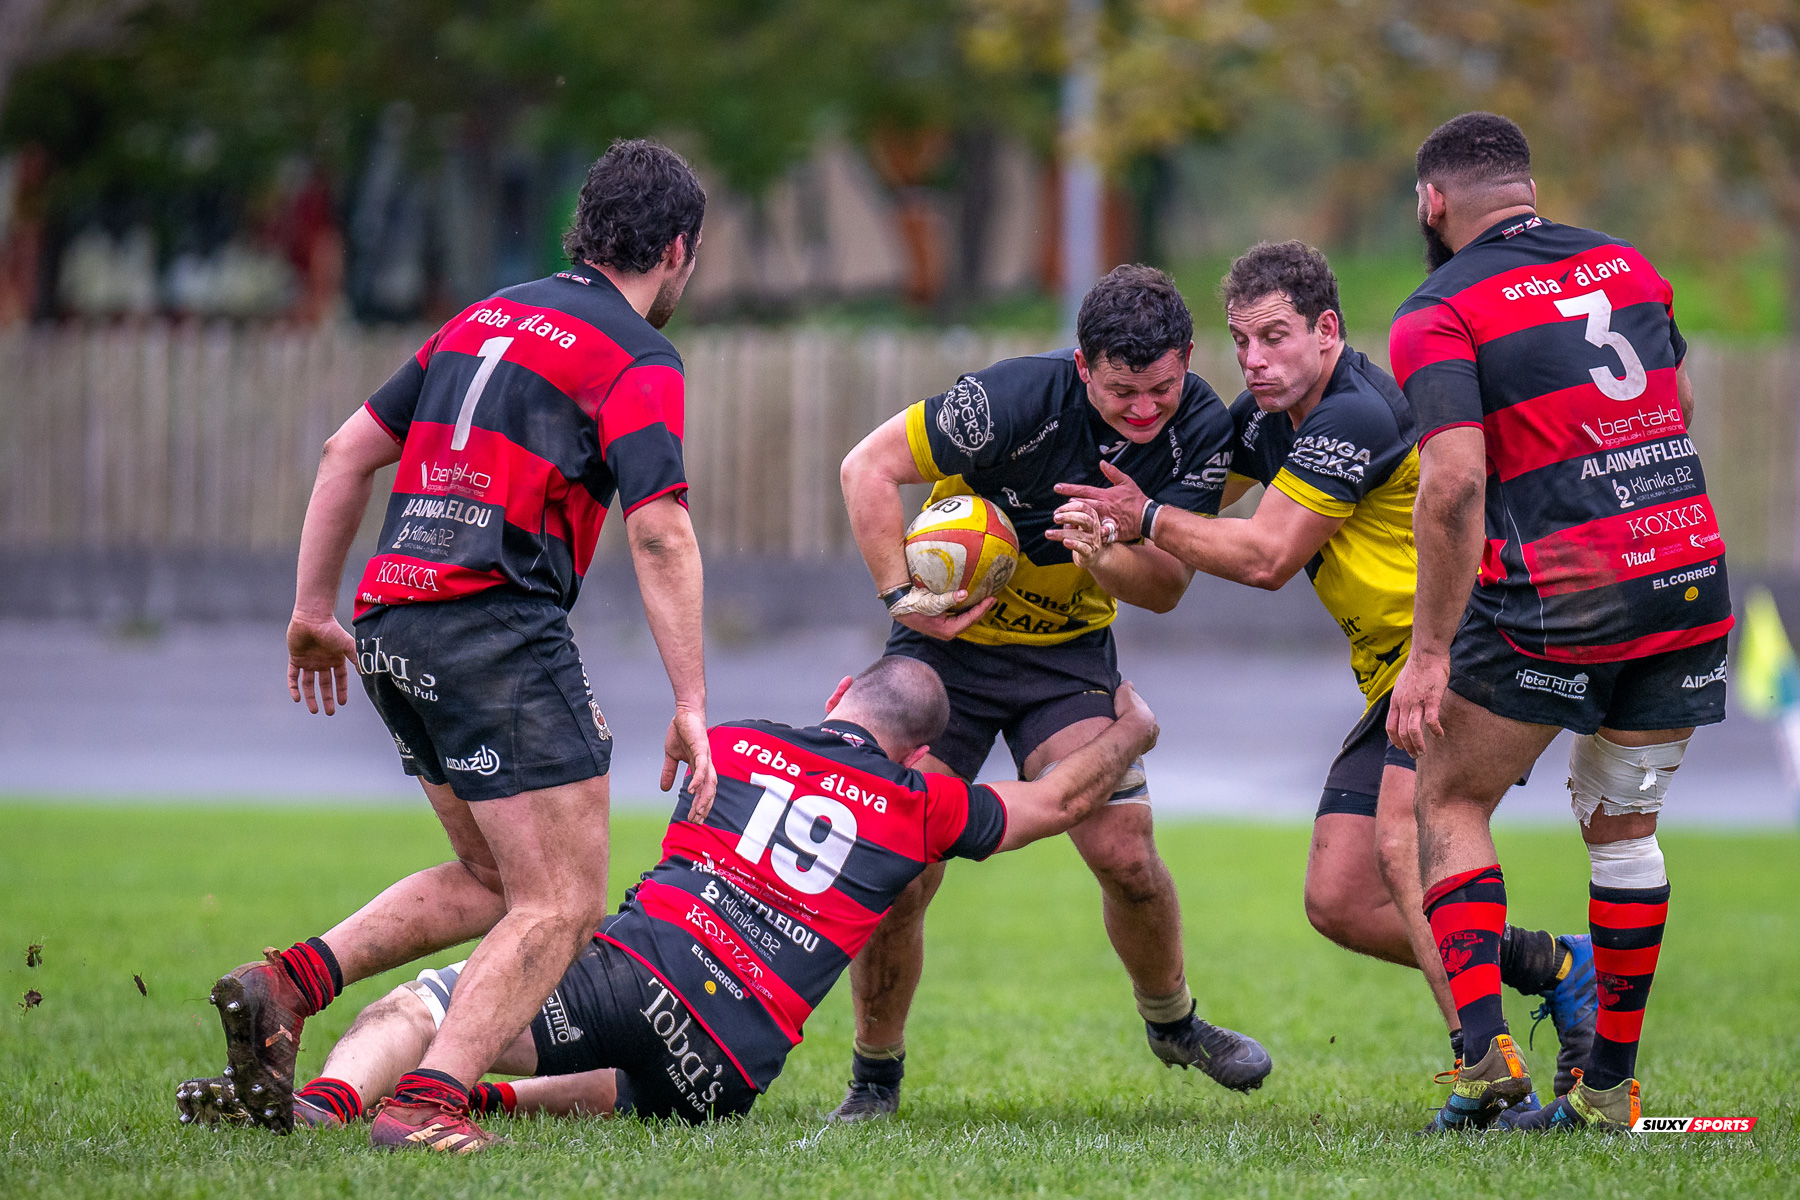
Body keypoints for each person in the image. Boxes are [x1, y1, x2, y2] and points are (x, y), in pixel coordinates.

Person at [195, 139, 720, 1149]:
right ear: (676, 250)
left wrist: (312, 612)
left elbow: (346, 452)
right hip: (494, 629)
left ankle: (287, 984)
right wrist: (692, 702)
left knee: (492, 881)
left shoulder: (482, 318)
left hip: (392, 620)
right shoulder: (636, 354)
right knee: (562, 899)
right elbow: (659, 528)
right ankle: (429, 1101)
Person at [177, 658, 1162, 1147]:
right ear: (919, 752)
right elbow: (1057, 801)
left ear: (840, 692)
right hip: (728, 1064)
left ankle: (325, 1107)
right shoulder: (920, 805)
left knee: (421, 1009)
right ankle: (456, 1101)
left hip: (641, 970)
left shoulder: (732, 742)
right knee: (602, 1083)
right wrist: (1132, 730)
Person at [1050, 242, 1594, 1095]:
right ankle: (1556, 966)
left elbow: (1264, 555)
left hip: (1470, 647)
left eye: (1275, 337)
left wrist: (1143, 515)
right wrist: (1086, 517)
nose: (1255, 360)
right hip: (1396, 678)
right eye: (1242, 341)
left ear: (1327, 330)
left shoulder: (1358, 414)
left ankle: (1486, 1073)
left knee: (1401, 839)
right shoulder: (1264, 422)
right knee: (1341, 898)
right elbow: (1182, 533)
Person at [830, 264, 1269, 1122]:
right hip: (947, 650)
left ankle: (1173, 1023)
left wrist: (1104, 554)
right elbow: (865, 468)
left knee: (1126, 855)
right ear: (1081, 366)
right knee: (901, 869)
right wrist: (902, 599)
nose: (1144, 410)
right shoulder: (1009, 401)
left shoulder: (1200, 426)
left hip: (1065, 655)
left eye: (1160, 388)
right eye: (1120, 392)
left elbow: (1167, 587)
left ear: (1187, 359)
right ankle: (874, 1075)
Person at [1386, 113, 1732, 1133]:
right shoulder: (1629, 265)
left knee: (1449, 797)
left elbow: (1454, 484)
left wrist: (1430, 654)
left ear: (1432, 203)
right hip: (1684, 576)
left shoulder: (1438, 309)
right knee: (1625, 832)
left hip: (1562, 598)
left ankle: (1485, 1063)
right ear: (1527, 189)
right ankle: (1609, 1094)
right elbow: (1678, 408)